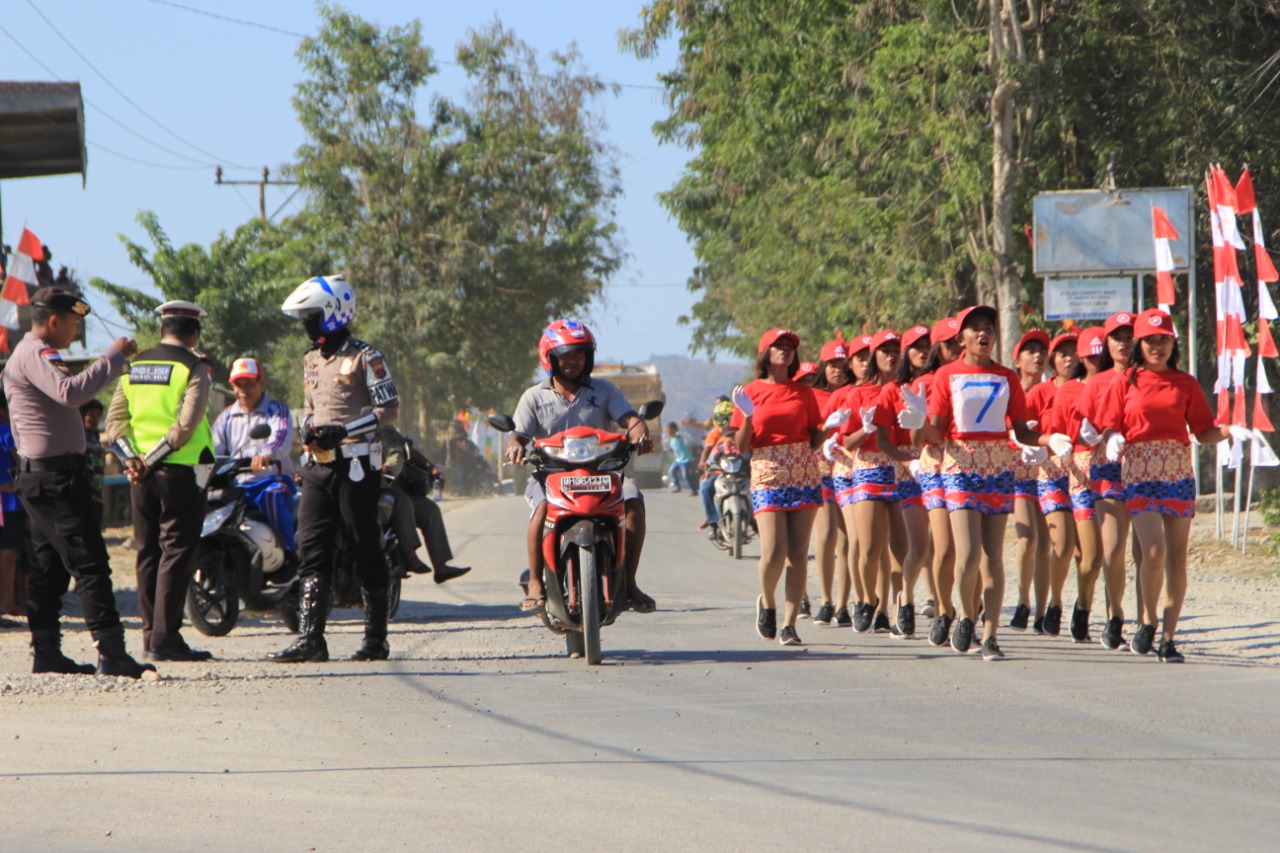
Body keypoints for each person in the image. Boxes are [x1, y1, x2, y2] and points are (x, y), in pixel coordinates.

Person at [1, 287, 153, 676]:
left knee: (51, 567)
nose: (75, 332)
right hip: (54, 477)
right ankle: (112, 650)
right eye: (73, 323)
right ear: (54, 321)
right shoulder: (35, 352)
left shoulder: (37, 353)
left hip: (48, 476)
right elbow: (70, 393)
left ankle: (47, 651)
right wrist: (112, 357)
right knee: (90, 563)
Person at [923, 305, 1072, 661]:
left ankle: (990, 635)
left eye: (987, 327)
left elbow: (1021, 430)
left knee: (992, 558)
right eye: (974, 328)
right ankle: (964, 615)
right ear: (961, 338)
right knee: (968, 552)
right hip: (960, 464)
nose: (982, 333)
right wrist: (917, 422)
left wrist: (1048, 439)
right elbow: (934, 433)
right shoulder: (947, 375)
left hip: (998, 467)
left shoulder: (1006, 377)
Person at [1094, 308, 1240, 662]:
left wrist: (1231, 431)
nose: (1156, 346)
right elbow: (1106, 426)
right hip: (1140, 472)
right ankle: (1148, 619)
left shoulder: (1185, 383)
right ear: (1138, 344)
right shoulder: (1124, 381)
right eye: (1149, 340)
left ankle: (1169, 639)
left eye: (1163, 339)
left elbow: (1202, 431)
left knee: (1176, 559)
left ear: (1172, 342)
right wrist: (1112, 436)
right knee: (1153, 552)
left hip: (1177, 471)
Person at [269, 274, 400, 663]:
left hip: (357, 465)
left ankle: (375, 639)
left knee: (365, 548)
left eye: (310, 315)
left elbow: (388, 409)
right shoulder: (310, 359)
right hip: (317, 468)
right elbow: (311, 408)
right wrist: (309, 434)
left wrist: (342, 430)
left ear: (332, 313)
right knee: (311, 551)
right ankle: (312, 639)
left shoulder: (365, 356)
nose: (305, 323)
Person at [505, 319, 656, 613]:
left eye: (580, 354)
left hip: (604, 472)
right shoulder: (534, 396)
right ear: (549, 358)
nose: (573, 360)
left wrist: (640, 434)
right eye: (565, 355)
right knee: (540, 511)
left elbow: (629, 419)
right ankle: (536, 581)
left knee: (634, 501)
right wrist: (515, 446)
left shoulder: (605, 390)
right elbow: (518, 435)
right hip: (550, 475)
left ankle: (628, 582)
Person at [106, 300, 216, 663]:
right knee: (177, 552)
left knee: (147, 551)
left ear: (162, 330)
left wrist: (132, 460)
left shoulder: (133, 364)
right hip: (181, 471)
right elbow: (186, 425)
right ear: (194, 333)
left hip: (140, 475)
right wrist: (150, 461)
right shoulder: (194, 367)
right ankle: (166, 639)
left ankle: (151, 636)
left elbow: (115, 421)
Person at [733, 328, 831, 647]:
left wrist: (830, 429)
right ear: (765, 354)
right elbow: (742, 444)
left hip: (803, 469)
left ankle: (789, 624)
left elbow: (814, 437)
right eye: (779, 346)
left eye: (790, 346)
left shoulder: (803, 393)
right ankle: (768, 603)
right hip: (766, 470)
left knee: (799, 554)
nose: (786, 350)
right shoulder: (750, 392)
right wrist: (747, 416)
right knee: (774, 551)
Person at [1075, 312, 1136, 650]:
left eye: (1129, 336)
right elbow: (1081, 430)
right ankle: (1115, 617)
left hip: (1146, 468)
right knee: (1111, 549)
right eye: (1117, 336)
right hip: (1107, 468)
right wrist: (1091, 435)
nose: (1123, 343)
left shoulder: (1146, 377)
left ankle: (1148, 622)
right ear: (1107, 343)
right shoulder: (1096, 382)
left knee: (1144, 552)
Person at [211, 357, 298, 559]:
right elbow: (214, 449)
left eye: (249, 384)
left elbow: (280, 440)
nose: (243, 390)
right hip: (236, 486)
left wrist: (267, 454)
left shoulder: (277, 410)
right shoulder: (226, 416)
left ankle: (290, 557)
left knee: (271, 496)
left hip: (271, 481)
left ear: (261, 383)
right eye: (238, 385)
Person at [1026, 331, 1079, 638]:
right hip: (1050, 473)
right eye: (1062, 353)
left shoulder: (1088, 388)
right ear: (1053, 360)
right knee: (1062, 543)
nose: (1068, 358)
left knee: (1088, 552)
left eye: (1074, 352)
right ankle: (1055, 605)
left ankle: (1082, 607)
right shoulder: (1039, 392)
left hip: (1084, 474)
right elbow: (1021, 429)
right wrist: (1029, 442)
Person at [802, 334, 852, 627]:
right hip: (821, 469)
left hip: (848, 469)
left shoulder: (853, 392)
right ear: (823, 365)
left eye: (842, 363)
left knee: (847, 538)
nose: (837, 369)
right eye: (832, 364)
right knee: (826, 534)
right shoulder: (813, 395)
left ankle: (844, 604)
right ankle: (825, 600)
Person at [379, 425, 470, 582]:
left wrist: (432, 467)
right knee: (403, 502)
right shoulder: (343, 424)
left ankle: (440, 567)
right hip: (372, 489)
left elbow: (405, 450)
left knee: (430, 510)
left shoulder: (384, 428)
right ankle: (410, 554)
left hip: (391, 483)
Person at [1007, 329, 1051, 634]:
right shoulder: (1009, 390)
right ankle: (1022, 602)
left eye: (1042, 351)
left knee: (1046, 542)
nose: (1038, 356)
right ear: (1017, 359)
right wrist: (1015, 436)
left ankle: (1042, 610)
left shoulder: (1052, 390)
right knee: (1028, 537)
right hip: (1014, 471)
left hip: (1046, 471)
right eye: (1030, 351)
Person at [0, 391, 27, 629]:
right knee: (10, 551)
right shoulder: (6, 431)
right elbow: (22, 461)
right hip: (9, 500)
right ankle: (9, 600)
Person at [81, 399, 107, 530]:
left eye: (98, 416)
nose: (95, 419)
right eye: (91, 415)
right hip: (85, 495)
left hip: (97, 494)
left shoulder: (94, 436)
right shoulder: (79, 437)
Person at [663, 422, 697, 494]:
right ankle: (677, 486)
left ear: (674, 430)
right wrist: (669, 449)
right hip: (678, 460)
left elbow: (678, 436)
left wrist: (673, 433)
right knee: (672, 471)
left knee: (686, 476)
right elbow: (674, 449)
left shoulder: (678, 435)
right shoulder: (672, 440)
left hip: (685, 459)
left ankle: (694, 490)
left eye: (668, 430)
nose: (667, 432)